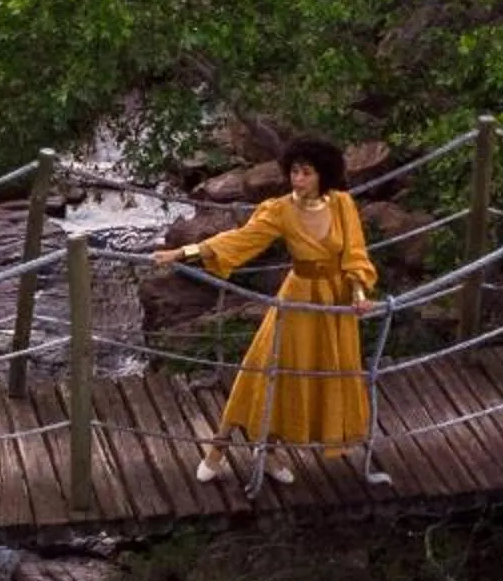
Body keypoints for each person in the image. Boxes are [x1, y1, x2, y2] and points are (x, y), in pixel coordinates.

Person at [150, 137, 390, 485]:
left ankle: (270, 451)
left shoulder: (342, 204)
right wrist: (183, 252)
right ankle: (218, 447)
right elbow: (241, 239)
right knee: (263, 368)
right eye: (294, 172)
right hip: (298, 298)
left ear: (323, 175)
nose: (298, 179)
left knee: (312, 374)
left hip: (335, 303)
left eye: (306, 173)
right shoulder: (280, 210)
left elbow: (355, 254)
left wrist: (358, 292)